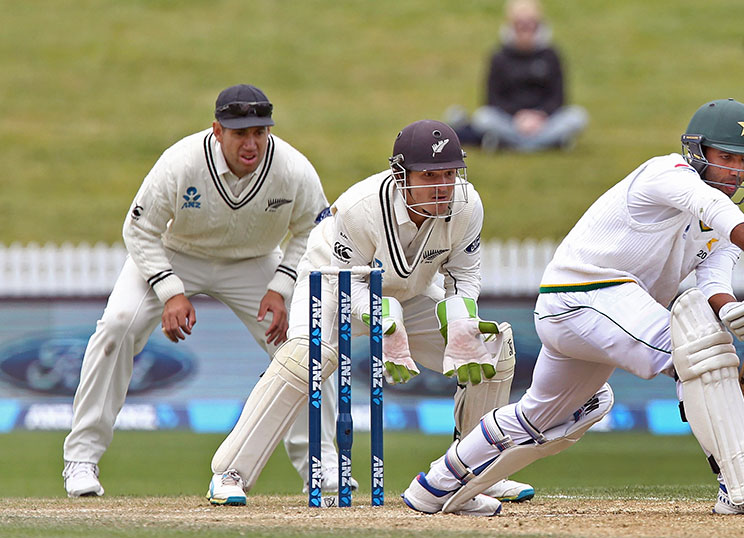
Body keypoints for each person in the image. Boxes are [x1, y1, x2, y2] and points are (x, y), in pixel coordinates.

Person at [400, 98, 744, 517]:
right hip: (584, 292)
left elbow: (714, 287)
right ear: (697, 152)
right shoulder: (666, 173)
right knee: (698, 346)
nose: (735, 171)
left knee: (543, 416)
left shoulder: (724, 226)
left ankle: (434, 486)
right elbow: (711, 206)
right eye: (726, 157)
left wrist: (738, 312)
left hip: (587, 313)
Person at [205, 119, 533, 510]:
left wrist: (462, 324)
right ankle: (229, 473)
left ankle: (475, 470)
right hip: (333, 280)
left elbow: (464, 274)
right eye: (429, 175)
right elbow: (351, 285)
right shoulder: (362, 207)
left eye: (449, 173)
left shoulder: (466, 204)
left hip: (408, 290)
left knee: (493, 346)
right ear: (401, 175)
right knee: (305, 358)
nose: (443, 186)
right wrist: (385, 319)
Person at [62, 84, 332, 498]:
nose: (251, 143)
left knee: (308, 345)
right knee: (116, 327)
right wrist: (170, 291)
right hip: (177, 253)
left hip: (254, 260)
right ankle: (81, 458)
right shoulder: (181, 163)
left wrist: (280, 285)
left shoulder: (292, 169)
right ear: (217, 130)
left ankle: (321, 467)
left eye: (259, 132)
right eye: (240, 133)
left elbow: (315, 231)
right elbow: (139, 230)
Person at [447, 0, 588, 152]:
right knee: (484, 117)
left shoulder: (551, 55)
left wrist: (539, 116)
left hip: (544, 122)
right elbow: (492, 98)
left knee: (577, 116)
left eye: (530, 24)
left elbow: (558, 97)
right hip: (511, 121)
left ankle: (512, 144)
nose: (525, 29)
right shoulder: (499, 57)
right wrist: (519, 116)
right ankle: (546, 143)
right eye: (520, 24)